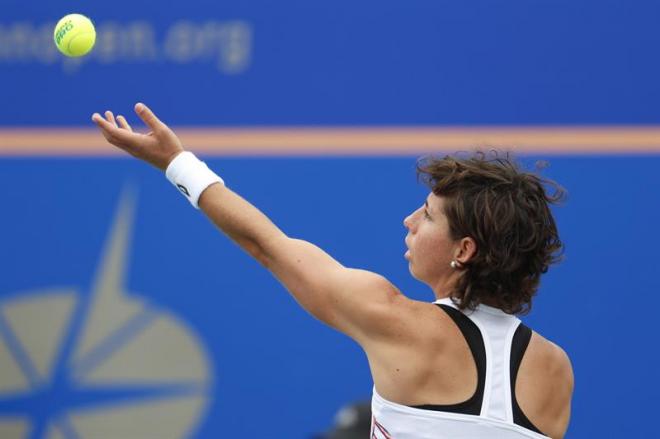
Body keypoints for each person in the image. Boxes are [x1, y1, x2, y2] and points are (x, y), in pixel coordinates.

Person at [92, 104, 574, 439]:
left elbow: (267, 244)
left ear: (463, 250)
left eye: (426, 215)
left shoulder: (395, 320)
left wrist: (175, 162)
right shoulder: (556, 369)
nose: (409, 221)